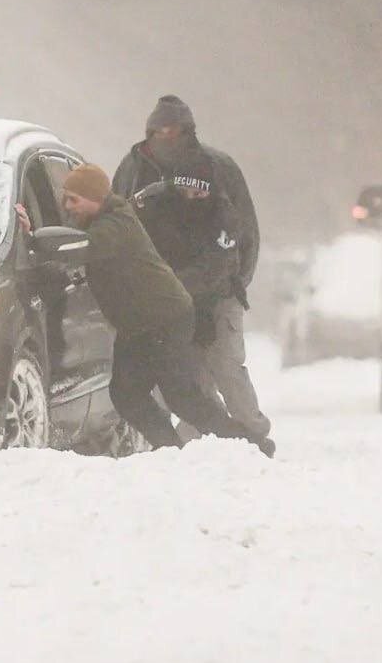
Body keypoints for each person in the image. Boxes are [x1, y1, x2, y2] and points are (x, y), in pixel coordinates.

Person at [15, 164, 271, 456]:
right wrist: (30, 232)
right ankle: (170, 451)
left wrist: (34, 241)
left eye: (73, 199)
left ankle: (251, 445)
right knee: (126, 394)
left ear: (94, 198)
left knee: (183, 397)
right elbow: (71, 237)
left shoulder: (115, 225)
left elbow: (81, 248)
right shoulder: (99, 220)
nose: (67, 206)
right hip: (138, 326)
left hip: (165, 319)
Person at [113, 95, 270, 438]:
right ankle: (198, 441)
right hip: (163, 297)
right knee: (186, 376)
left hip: (219, 289)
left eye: (176, 131)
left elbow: (244, 233)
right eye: (160, 132)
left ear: (189, 132)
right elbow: (119, 224)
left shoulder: (218, 167)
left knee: (227, 365)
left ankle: (252, 434)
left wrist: (235, 282)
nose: (167, 138)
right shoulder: (133, 170)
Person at [133, 161, 273, 443]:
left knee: (226, 365)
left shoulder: (223, 215)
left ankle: (254, 432)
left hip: (219, 297)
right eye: (187, 192)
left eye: (201, 195)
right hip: (174, 300)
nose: (195, 200)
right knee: (192, 373)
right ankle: (203, 435)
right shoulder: (151, 205)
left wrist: (186, 298)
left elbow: (217, 268)